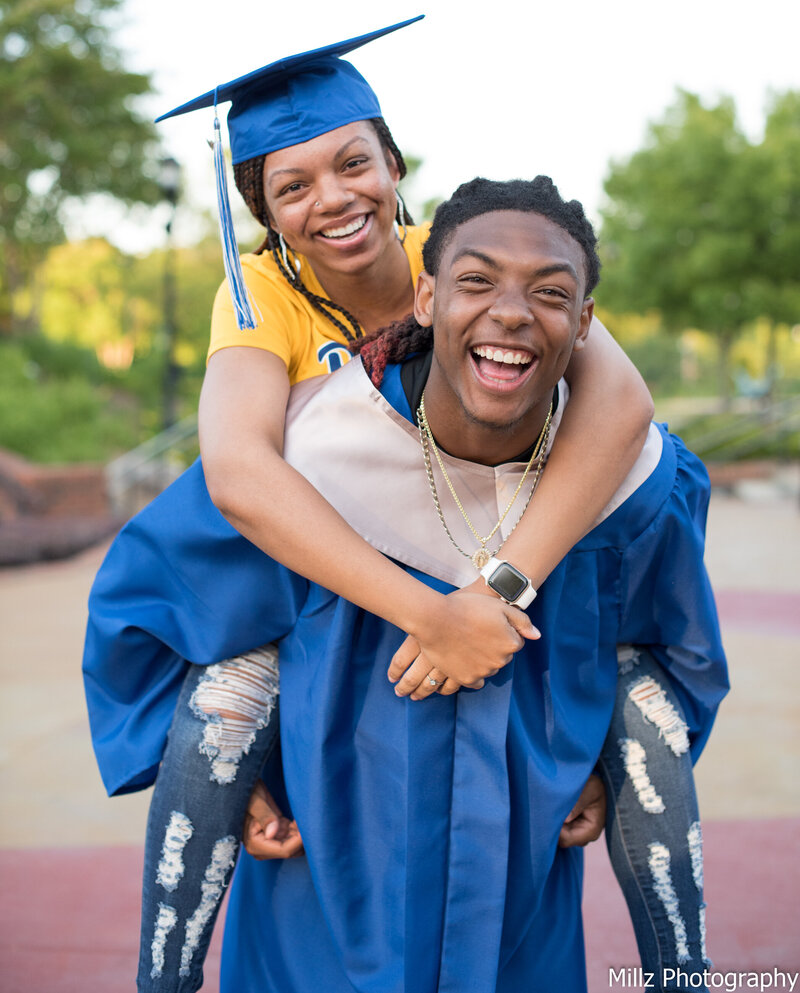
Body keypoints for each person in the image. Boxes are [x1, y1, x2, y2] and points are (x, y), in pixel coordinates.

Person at [103, 17, 658, 993]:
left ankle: (681, 966)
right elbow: (235, 471)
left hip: (491, 602)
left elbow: (618, 405)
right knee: (231, 737)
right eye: (291, 186)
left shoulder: (470, 257)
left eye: (350, 163)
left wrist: (496, 591)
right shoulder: (260, 299)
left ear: (393, 163)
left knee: (621, 727)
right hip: (338, 623)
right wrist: (429, 618)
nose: (332, 199)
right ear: (265, 216)